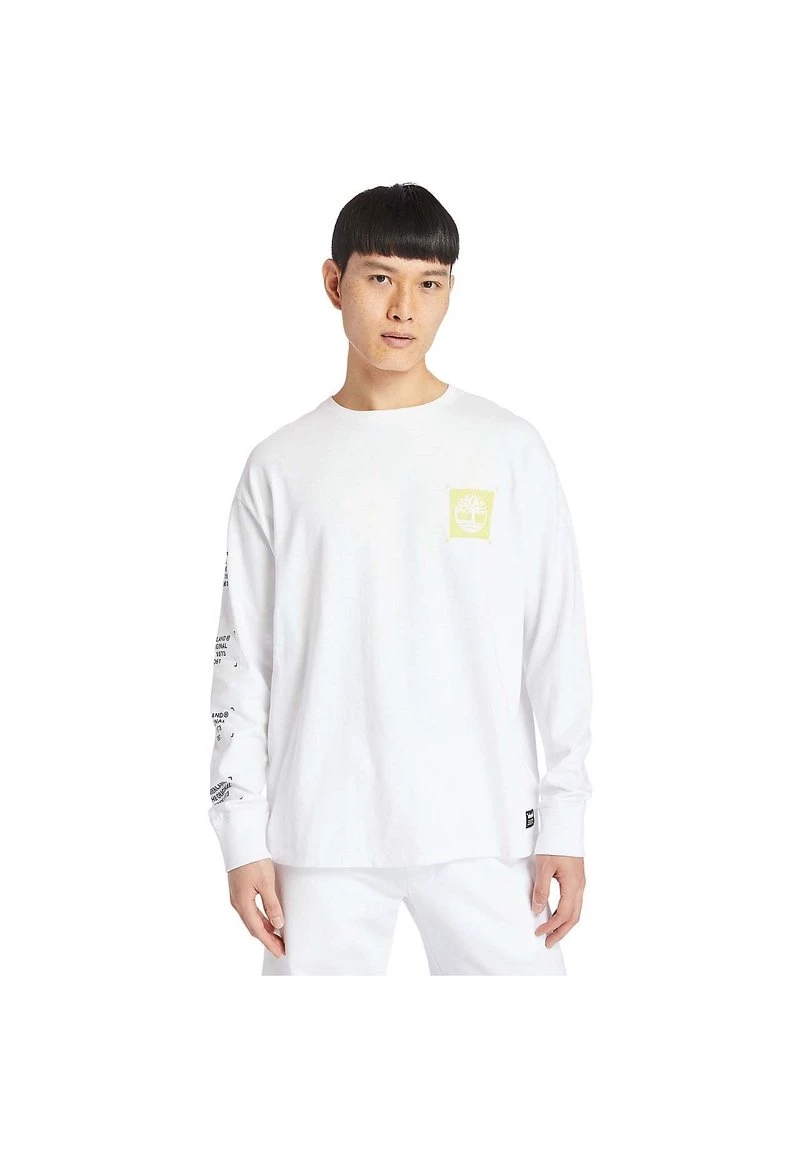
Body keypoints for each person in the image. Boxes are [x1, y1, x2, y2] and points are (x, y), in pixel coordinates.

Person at [207, 182, 593, 975]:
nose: (403, 308)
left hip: (483, 824)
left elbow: (556, 642)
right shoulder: (280, 465)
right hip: (320, 833)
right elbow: (243, 664)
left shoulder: (506, 448)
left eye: (429, 283)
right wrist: (241, 835)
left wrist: (564, 819)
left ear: (450, 292)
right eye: (380, 277)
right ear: (334, 282)